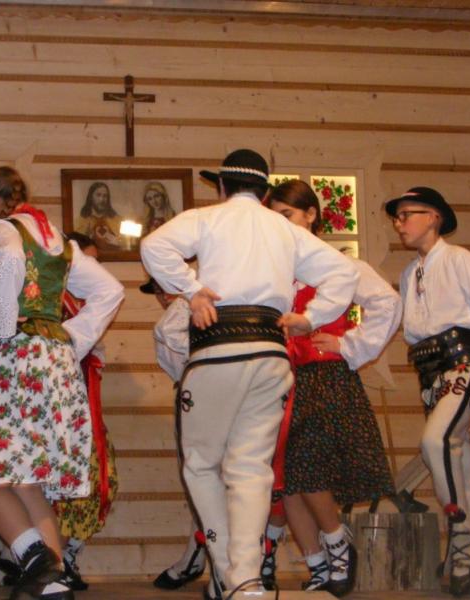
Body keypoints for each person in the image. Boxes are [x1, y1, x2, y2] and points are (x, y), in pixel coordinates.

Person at [140, 149, 359, 599]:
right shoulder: (284, 228)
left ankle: (230, 574)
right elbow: (342, 271)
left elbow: (153, 246)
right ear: (263, 191)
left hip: (218, 350)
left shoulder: (207, 218)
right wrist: (311, 317)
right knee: (252, 468)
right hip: (270, 354)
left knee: (202, 465)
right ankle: (247, 578)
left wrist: (193, 291)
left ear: (222, 186)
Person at [0, 166, 124, 600]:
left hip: (19, 358)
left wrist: (2, 331)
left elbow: (9, 262)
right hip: (56, 363)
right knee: (26, 478)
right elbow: (111, 291)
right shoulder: (59, 241)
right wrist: (73, 338)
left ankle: (34, 556)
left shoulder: (1, 228)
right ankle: (55, 580)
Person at [265, 180, 399, 596]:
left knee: (307, 468)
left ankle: (338, 543)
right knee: (287, 477)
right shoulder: (275, 272)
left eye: (287, 215)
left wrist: (349, 345)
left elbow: (388, 303)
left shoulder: (342, 265)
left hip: (325, 379)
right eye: (274, 218)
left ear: (311, 216)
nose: (281, 224)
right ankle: (318, 563)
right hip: (281, 383)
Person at [386, 187, 470, 596]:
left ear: (433, 217)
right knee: (460, 467)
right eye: (396, 217)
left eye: (407, 214)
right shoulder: (409, 273)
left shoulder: (458, 260)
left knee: (435, 441)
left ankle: (460, 531)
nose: (399, 223)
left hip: (464, 367)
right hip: (431, 375)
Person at [53, 231, 119, 591]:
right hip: (57, 409)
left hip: (86, 406)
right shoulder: (51, 299)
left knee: (101, 483)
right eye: (88, 261)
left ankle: (66, 556)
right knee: (58, 489)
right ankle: (50, 562)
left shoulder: (89, 306)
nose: (94, 268)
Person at [146, 281, 208, 590]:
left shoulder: (185, 305)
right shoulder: (186, 311)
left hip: (200, 396)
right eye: (157, 292)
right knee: (204, 478)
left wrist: (205, 352)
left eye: (163, 289)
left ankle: (197, 557)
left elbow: (166, 330)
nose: (161, 297)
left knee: (203, 477)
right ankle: (198, 554)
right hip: (193, 392)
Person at [74, 182, 122, 251]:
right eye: (98, 195)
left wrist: (117, 242)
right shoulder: (81, 221)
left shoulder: (117, 220)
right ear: (91, 197)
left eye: (105, 196)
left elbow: (127, 243)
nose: (101, 199)